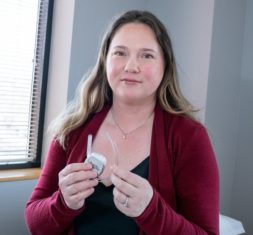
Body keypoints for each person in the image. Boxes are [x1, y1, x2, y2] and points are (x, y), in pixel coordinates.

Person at [25, 10, 219, 235]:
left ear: (165, 65)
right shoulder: (72, 129)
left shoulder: (189, 137)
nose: (131, 66)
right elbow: (34, 222)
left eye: (146, 55)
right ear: (105, 61)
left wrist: (151, 211)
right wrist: (62, 203)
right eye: (120, 53)